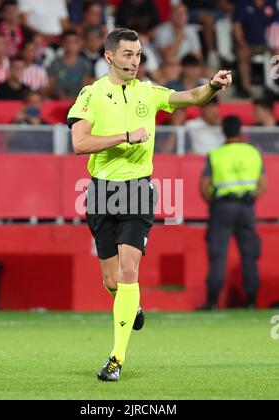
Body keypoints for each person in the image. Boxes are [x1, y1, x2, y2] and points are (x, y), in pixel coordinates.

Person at [67, 27, 232, 382]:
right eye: (128, 54)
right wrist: (126, 137)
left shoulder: (148, 91)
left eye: (138, 54)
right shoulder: (91, 94)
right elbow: (79, 143)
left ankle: (116, 359)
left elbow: (190, 97)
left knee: (129, 271)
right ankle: (132, 303)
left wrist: (213, 86)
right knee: (113, 282)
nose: (135, 60)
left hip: (138, 190)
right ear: (110, 56)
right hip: (101, 193)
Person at [199, 116, 267, 310]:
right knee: (250, 254)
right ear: (241, 130)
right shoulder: (253, 152)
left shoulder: (215, 154)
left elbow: (204, 187)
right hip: (246, 207)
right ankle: (252, 301)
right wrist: (250, 198)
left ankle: (212, 302)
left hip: (222, 207)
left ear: (223, 131)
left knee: (218, 254)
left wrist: (216, 203)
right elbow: (263, 185)